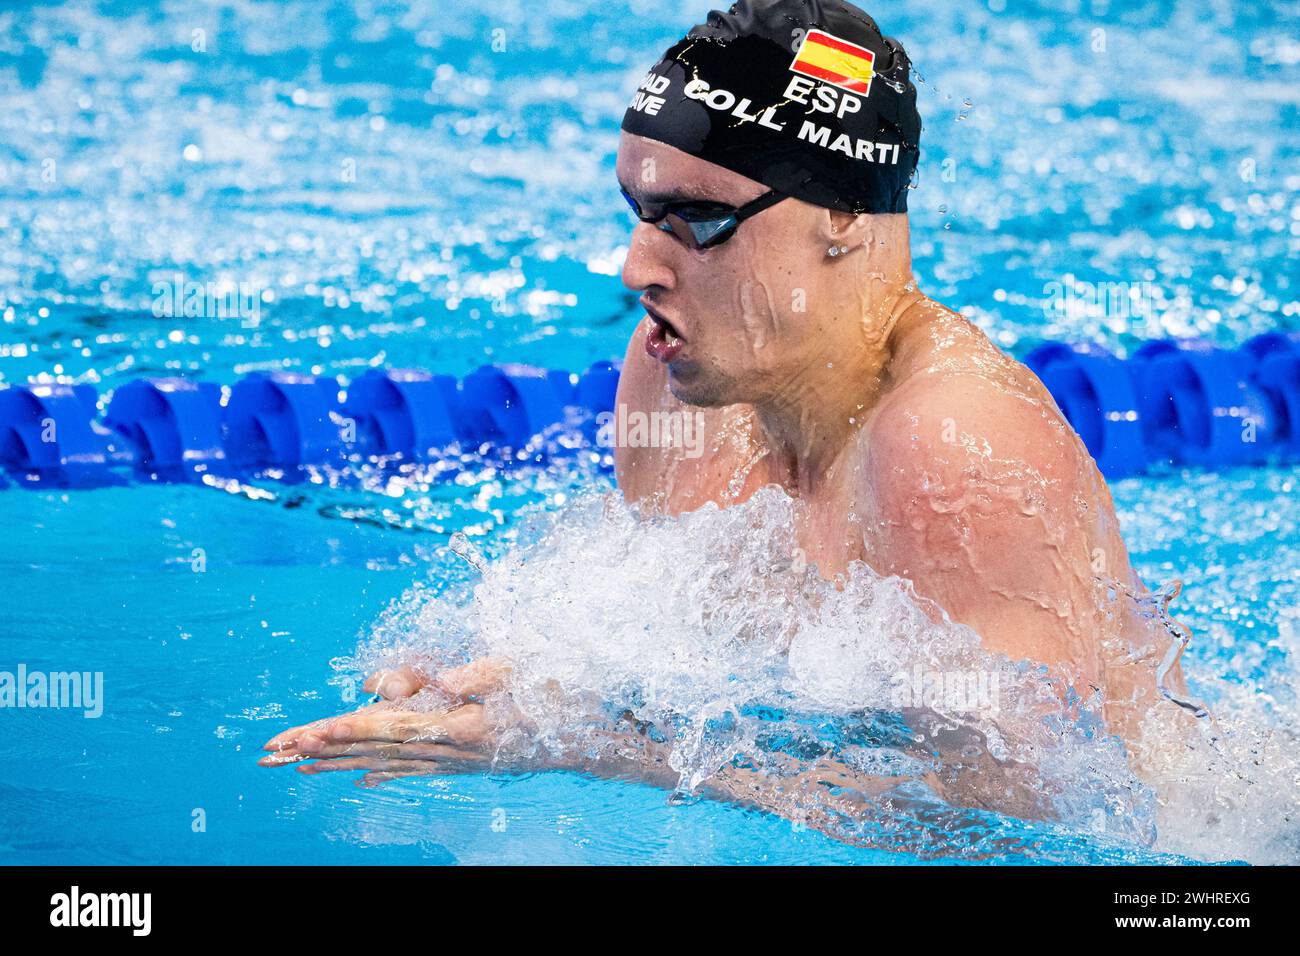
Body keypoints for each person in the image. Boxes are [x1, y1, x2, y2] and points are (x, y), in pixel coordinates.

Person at [260, 0, 1200, 829]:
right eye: (636, 210)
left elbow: (1025, 819)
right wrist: (506, 681)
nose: (637, 268)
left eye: (696, 219)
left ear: (841, 218)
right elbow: (700, 642)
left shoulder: (954, 448)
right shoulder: (681, 380)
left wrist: (582, 745)